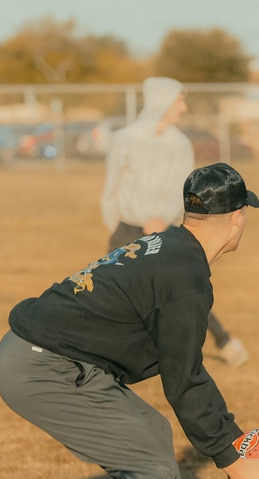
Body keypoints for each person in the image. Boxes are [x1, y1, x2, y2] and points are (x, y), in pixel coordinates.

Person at [0, 163, 259, 479]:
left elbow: (183, 372)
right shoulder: (184, 277)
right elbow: (184, 379)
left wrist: (226, 443)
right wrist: (230, 457)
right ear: (237, 219)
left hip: (51, 357)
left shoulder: (171, 245)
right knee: (150, 466)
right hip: (39, 366)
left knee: (152, 434)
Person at [101, 76, 250, 368]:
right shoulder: (125, 139)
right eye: (179, 100)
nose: (183, 108)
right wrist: (117, 227)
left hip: (163, 229)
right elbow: (112, 189)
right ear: (162, 102)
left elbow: (183, 191)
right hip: (126, 230)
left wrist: (163, 220)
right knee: (111, 292)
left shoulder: (180, 144)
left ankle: (224, 340)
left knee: (182, 288)